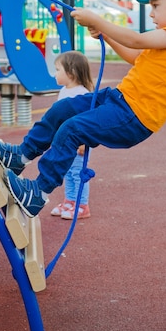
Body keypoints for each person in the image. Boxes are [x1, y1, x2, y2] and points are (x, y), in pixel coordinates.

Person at [0, 0, 166, 218]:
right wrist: (107, 36)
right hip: (120, 99)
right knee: (63, 109)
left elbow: (134, 40)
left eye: (156, 6)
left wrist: (98, 21)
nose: (152, 13)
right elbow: (135, 56)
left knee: (72, 129)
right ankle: (20, 156)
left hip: (135, 116)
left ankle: (38, 194)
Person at [49, 50, 94, 220]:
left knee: (77, 173)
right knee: (67, 172)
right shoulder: (64, 91)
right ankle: (70, 201)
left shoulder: (82, 94)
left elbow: (87, 120)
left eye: (58, 69)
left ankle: (82, 205)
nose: (55, 73)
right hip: (66, 142)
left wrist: (84, 142)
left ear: (71, 72)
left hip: (78, 143)